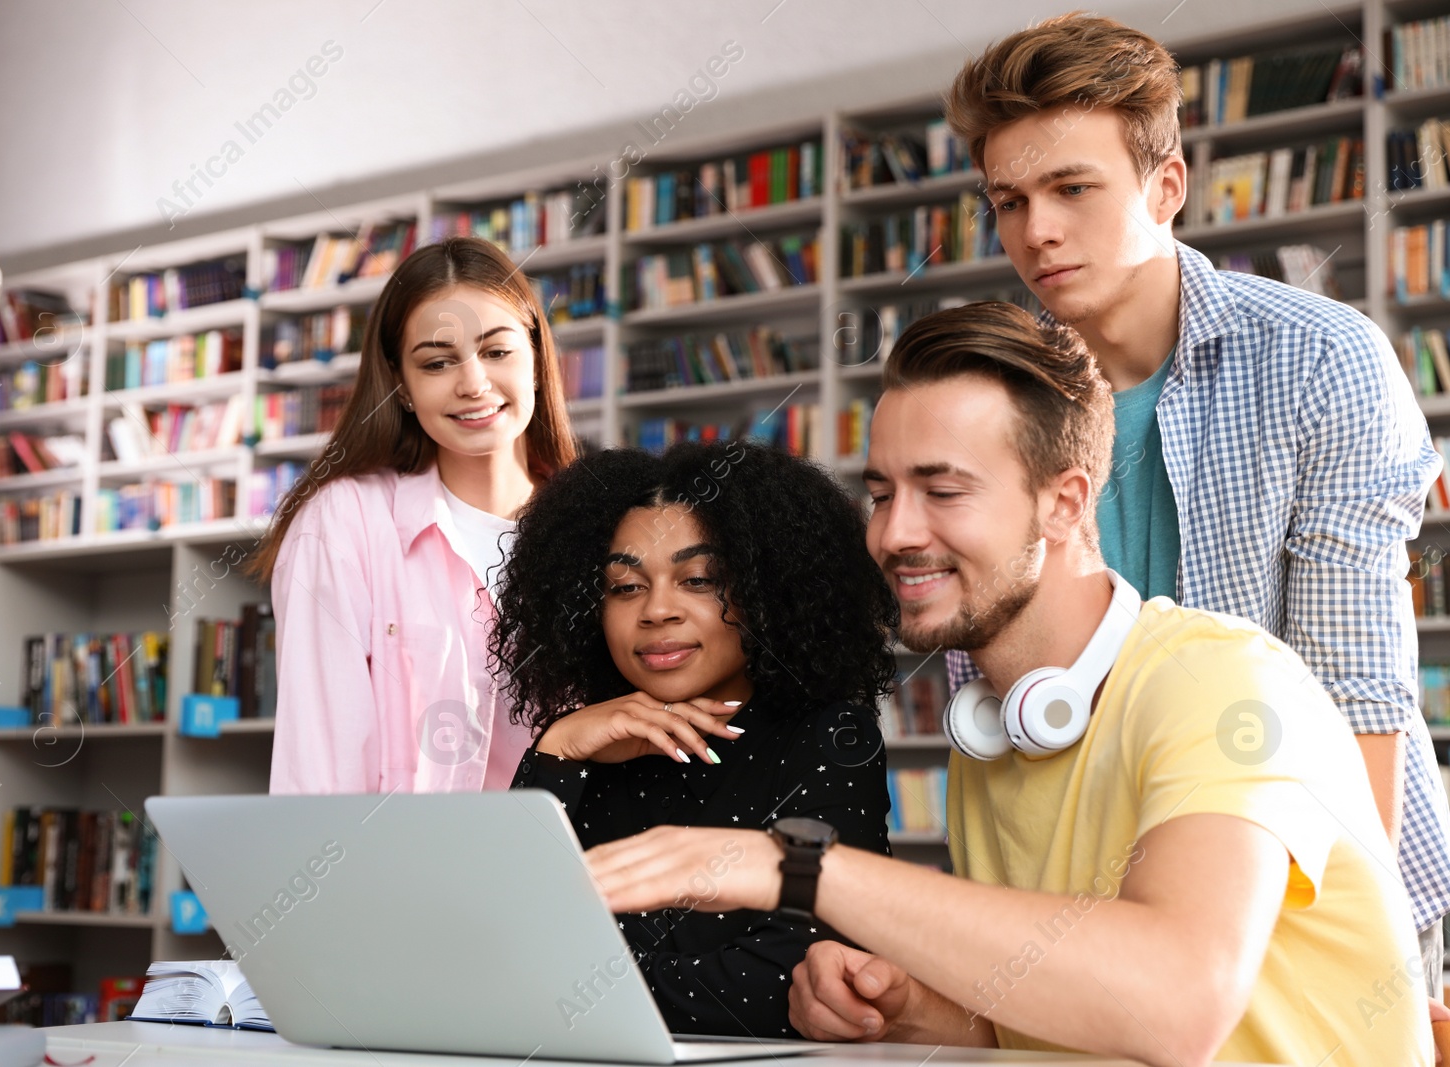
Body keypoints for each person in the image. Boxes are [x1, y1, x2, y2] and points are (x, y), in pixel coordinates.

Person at [586, 304, 1433, 1065]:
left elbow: (1178, 999)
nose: (893, 532)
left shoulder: (1220, 683)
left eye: (942, 490)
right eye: (881, 492)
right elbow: (1064, 1011)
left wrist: (793, 867)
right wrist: (911, 1009)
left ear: (1066, 503)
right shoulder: (996, 733)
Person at [939, 12, 1450, 993]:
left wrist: (1347, 951)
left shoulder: (1319, 361)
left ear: (1164, 186)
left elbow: (1355, 692)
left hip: (1316, 886)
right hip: (1094, 907)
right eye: (1007, 199)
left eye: (1071, 188)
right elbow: (1006, 702)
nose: (1034, 228)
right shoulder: (992, 405)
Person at [491, 441, 897, 1039]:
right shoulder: (581, 748)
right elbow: (488, 942)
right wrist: (556, 751)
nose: (657, 610)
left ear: (767, 589)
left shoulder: (828, 739)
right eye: (625, 587)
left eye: (698, 579)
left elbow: (784, 984)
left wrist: (562, 980)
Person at [247, 236, 577, 794]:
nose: (473, 384)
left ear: (538, 361)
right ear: (401, 388)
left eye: (497, 352)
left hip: (573, 867)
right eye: (437, 362)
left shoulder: (602, 527)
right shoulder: (343, 522)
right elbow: (319, 767)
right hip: (400, 872)